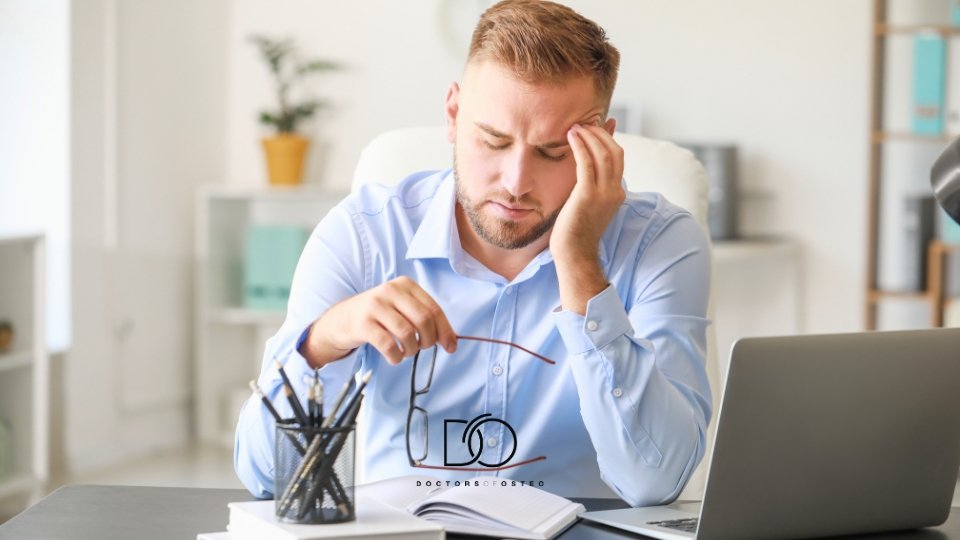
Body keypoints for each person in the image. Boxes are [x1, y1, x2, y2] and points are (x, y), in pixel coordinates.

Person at [235, 0, 712, 507]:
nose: (515, 183)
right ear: (454, 115)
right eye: (493, 140)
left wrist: (577, 260)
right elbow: (267, 477)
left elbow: (656, 482)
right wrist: (327, 340)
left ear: (601, 146)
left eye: (553, 153)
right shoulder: (363, 235)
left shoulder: (661, 244)